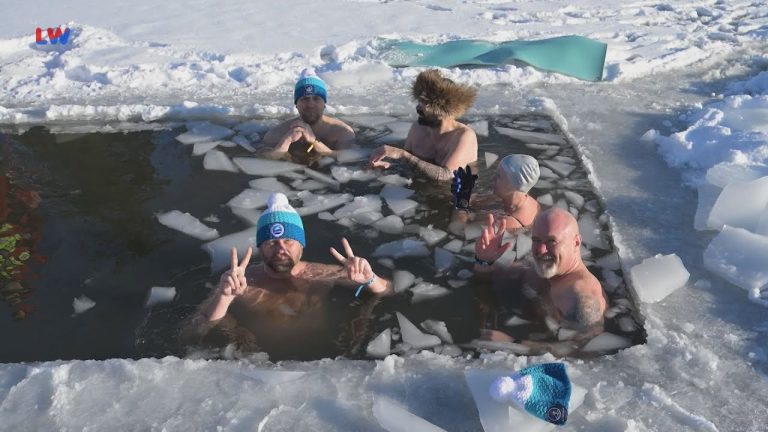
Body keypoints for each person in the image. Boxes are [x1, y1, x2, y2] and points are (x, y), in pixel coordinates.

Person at [182, 193, 391, 356]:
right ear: (260, 247)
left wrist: (370, 279)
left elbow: (388, 290)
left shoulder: (322, 274)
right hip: (260, 362)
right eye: (272, 242)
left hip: (324, 356)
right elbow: (190, 333)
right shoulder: (241, 282)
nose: (281, 249)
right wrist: (223, 297)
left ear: (301, 245)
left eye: (288, 241)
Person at [473, 208, 606, 353]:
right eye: (536, 240)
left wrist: (512, 343)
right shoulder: (545, 271)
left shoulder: (581, 295)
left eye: (551, 241)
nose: (541, 250)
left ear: (576, 242)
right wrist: (485, 261)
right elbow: (487, 281)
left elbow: (585, 348)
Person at [369, 69, 478, 181]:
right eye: (419, 101)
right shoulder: (417, 128)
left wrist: (402, 154)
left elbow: (446, 175)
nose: (418, 107)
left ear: (442, 109)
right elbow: (407, 164)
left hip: (451, 193)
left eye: (425, 103)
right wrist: (388, 166)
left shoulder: (464, 136)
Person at [263, 68, 357, 155]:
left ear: (324, 103)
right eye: (304, 99)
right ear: (296, 104)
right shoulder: (276, 134)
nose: (311, 105)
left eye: (316, 99)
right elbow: (259, 160)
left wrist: (314, 141)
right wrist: (286, 142)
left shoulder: (342, 132)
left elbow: (345, 160)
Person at [453, 154, 541, 231]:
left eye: (499, 176)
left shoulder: (508, 223)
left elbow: (462, 229)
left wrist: (461, 203)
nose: (493, 179)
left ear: (515, 185)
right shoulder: (525, 198)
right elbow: (476, 200)